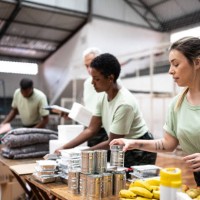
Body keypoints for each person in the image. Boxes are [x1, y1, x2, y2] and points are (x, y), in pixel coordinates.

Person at [110, 36, 200, 185]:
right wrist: (132, 143)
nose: (170, 71)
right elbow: (168, 144)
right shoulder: (177, 104)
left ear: (197, 62)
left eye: (176, 64)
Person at [55, 53, 157, 167]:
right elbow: (91, 129)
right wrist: (65, 148)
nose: (92, 83)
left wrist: (78, 153)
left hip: (139, 151)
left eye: (96, 79)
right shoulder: (103, 95)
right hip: (121, 145)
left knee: (131, 182)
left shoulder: (124, 104)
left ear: (110, 78)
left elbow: (111, 143)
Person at [82, 47, 108, 147]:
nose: (89, 69)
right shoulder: (87, 83)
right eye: (86, 66)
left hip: (106, 130)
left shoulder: (110, 81)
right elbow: (89, 107)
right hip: (91, 129)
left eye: (91, 64)